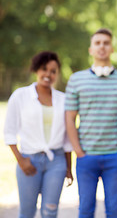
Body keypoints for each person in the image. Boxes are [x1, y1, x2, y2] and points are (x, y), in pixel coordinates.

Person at [65, 28, 117, 218]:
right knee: (85, 209)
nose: (101, 46)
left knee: (114, 209)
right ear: (91, 49)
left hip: (115, 156)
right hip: (86, 156)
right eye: (97, 43)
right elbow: (69, 118)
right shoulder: (76, 79)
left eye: (106, 43)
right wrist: (78, 152)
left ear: (112, 48)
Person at [4, 51, 73, 218]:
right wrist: (21, 160)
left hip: (56, 162)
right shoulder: (20, 96)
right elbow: (9, 131)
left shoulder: (63, 100)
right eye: (44, 69)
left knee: (50, 212)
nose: (48, 74)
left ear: (57, 74)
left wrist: (69, 168)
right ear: (36, 70)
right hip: (29, 161)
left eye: (53, 71)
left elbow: (66, 138)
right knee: (27, 213)